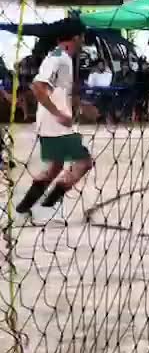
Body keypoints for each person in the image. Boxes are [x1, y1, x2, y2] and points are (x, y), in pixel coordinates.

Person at [14, 18, 94, 220]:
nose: (83, 40)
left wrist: (79, 106)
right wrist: (58, 113)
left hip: (52, 122)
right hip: (54, 124)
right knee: (83, 162)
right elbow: (38, 87)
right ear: (75, 37)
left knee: (55, 167)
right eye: (82, 36)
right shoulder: (57, 56)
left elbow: (58, 90)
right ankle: (48, 207)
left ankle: (26, 208)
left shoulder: (62, 57)